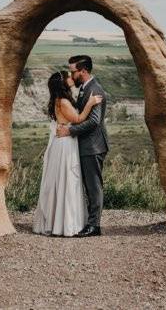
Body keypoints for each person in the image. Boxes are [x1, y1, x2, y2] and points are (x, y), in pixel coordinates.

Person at [32, 70, 103, 237]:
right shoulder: (63, 101)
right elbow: (78, 119)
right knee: (67, 181)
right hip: (65, 145)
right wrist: (90, 103)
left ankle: (62, 221)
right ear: (63, 83)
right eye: (68, 76)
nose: (71, 77)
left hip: (65, 142)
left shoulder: (62, 100)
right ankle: (66, 224)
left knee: (64, 181)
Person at [56, 55, 108, 237]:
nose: (71, 75)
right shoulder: (85, 88)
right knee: (87, 185)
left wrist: (70, 131)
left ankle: (94, 226)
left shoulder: (95, 89)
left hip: (93, 146)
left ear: (83, 71)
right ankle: (89, 222)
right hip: (86, 145)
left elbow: (94, 122)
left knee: (93, 186)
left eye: (73, 71)